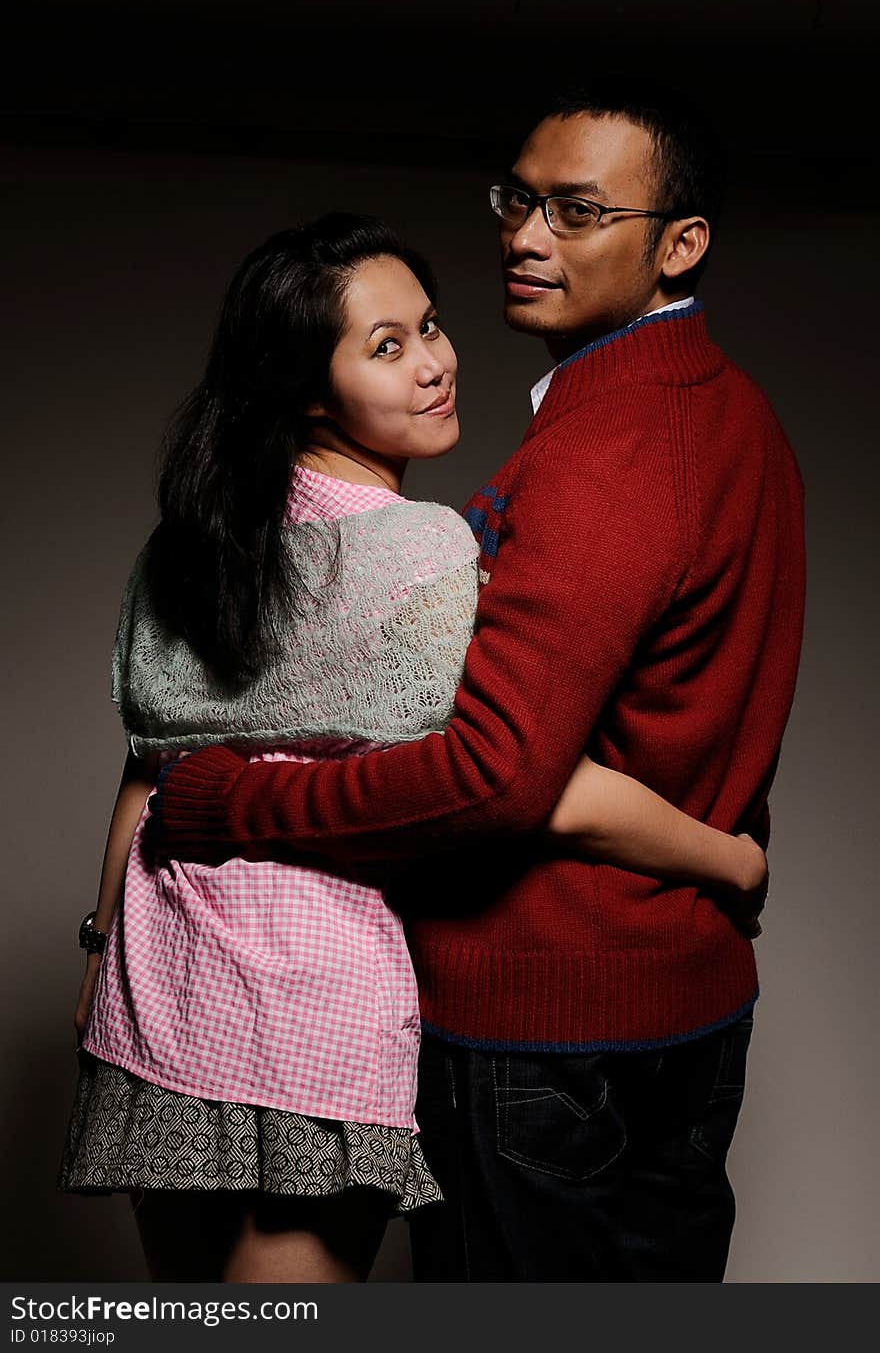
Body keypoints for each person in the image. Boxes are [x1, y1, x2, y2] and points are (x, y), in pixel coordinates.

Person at [67, 194, 773, 1284]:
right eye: (386, 347)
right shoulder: (423, 554)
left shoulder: (192, 545)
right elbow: (526, 777)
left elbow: (151, 762)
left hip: (157, 980)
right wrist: (726, 856)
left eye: (431, 327)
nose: (433, 363)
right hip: (313, 987)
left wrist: (103, 941)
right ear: (306, 390)